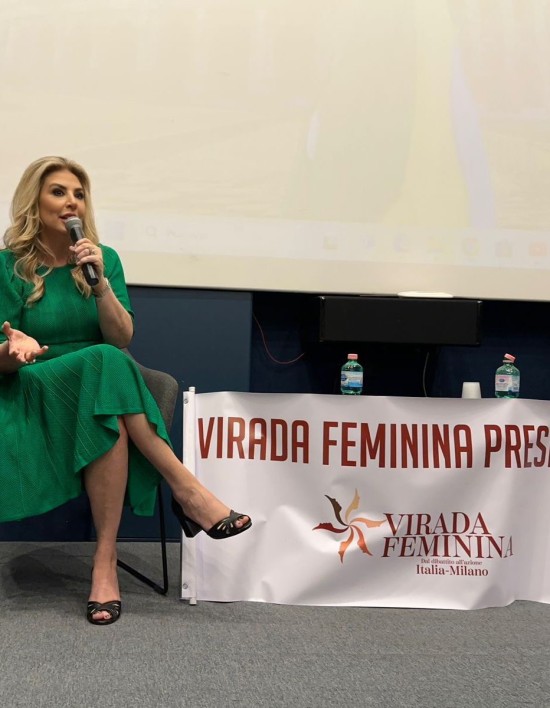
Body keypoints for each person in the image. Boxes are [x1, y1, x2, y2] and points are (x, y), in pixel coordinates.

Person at [0, 156, 251, 626]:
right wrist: (14, 349)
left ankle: (105, 561)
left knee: (109, 388)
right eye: (58, 191)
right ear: (34, 200)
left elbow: (121, 337)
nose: (72, 202)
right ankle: (186, 490)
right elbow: (2, 353)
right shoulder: (7, 267)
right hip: (32, 387)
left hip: (97, 390)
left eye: (79, 194)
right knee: (108, 365)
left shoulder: (103, 259)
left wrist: (99, 286)